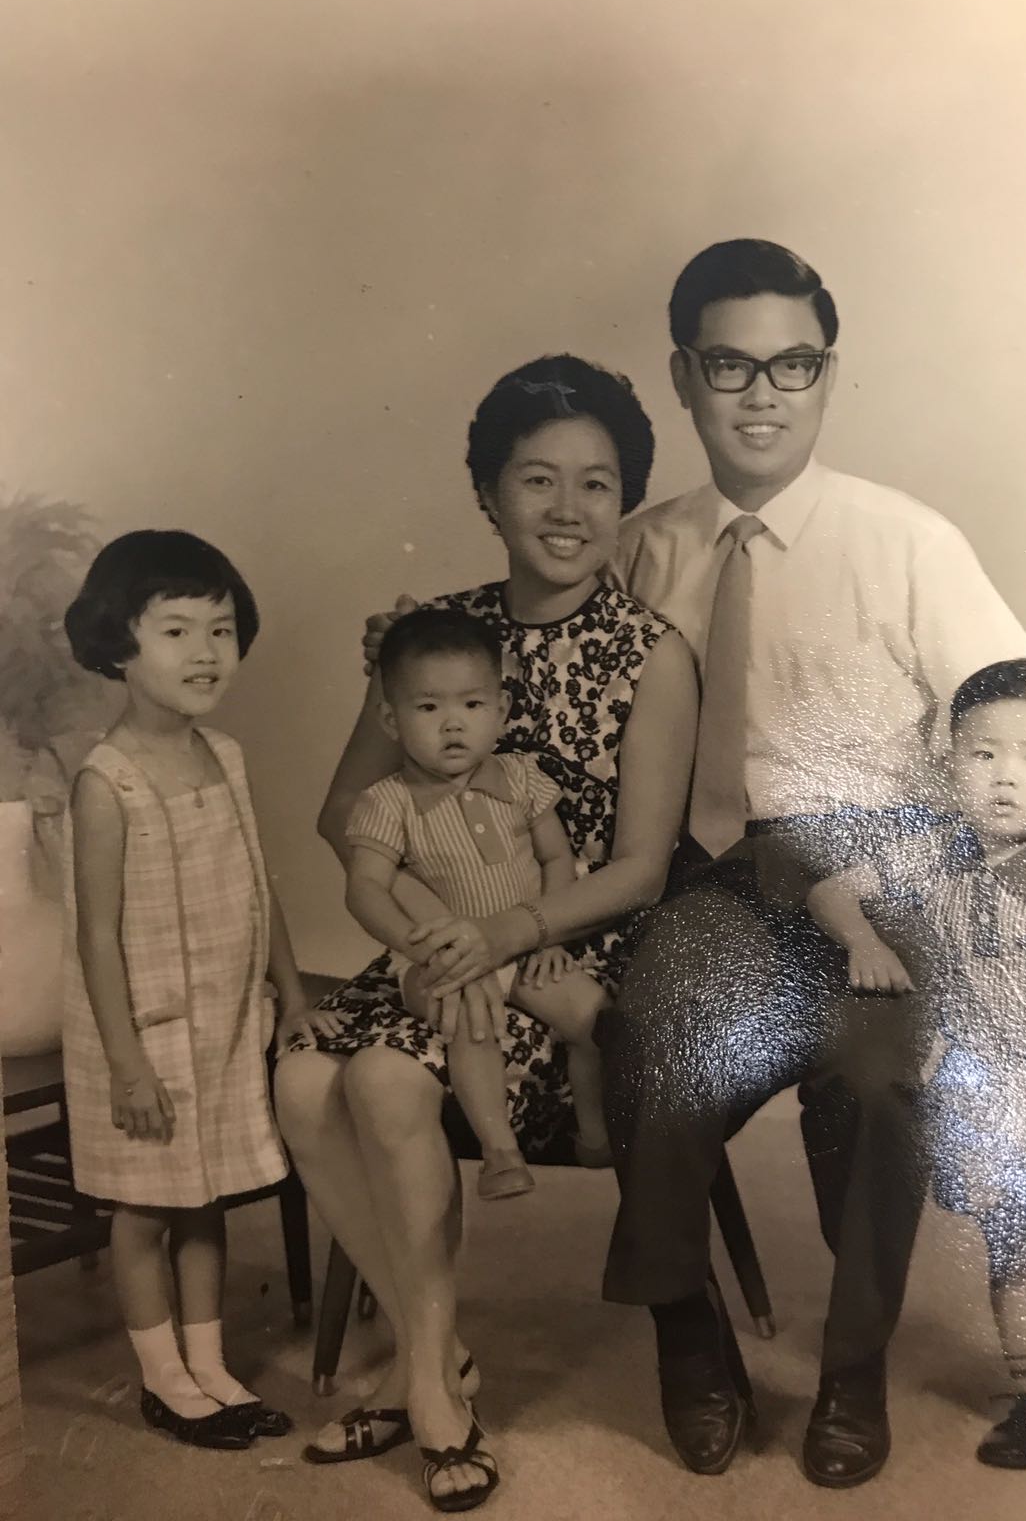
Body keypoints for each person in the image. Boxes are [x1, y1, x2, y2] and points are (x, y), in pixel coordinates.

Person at [597, 238, 1026, 1485]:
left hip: (885, 885)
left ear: (826, 375)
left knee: (888, 1085)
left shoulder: (907, 541)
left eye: (794, 363)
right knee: (651, 1040)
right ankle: (692, 1341)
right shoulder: (646, 546)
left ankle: (852, 1376)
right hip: (720, 883)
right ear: (683, 375)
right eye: (730, 362)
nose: (763, 391)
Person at [275, 354, 695, 1510]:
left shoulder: (649, 652)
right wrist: (426, 929)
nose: (568, 510)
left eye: (598, 484)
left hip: (566, 950)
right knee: (302, 1079)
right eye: (537, 480)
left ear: (627, 498)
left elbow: (642, 868)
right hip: (435, 939)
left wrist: (500, 932)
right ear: (487, 494)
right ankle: (435, 1354)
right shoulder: (432, 643)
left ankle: (429, 1392)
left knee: (385, 1083)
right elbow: (340, 815)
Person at [806, 657, 1026, 1482]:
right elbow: (831, 891)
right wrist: (865, 940)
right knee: (1013, 1254)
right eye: (981, 754)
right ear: (951, 759)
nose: (1005, 779)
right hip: (990, 1095)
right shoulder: (941, 855)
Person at [61, 530, 334, 1450]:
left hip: (222, 1021)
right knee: (145, 1209)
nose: (206, 653)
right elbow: (94, 935)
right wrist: (127, 1064)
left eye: (220, 630)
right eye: (177, 632)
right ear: (117, 645)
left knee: (205, 1199)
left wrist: (291, 994)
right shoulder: (107, 782)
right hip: (140, 1038)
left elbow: (261, 889)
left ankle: (210, 1365)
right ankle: (163, 1377)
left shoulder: (226, 755)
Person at [342, 605, 609, 1201]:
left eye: (471, 705)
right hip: (438, 960)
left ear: (501, 711)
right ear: (390, 720)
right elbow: (364, 887)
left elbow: (556, 861)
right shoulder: (389, 803)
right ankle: (499, 1150)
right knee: (471, 1019)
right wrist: (428, 949)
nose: (453, 725)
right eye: (428, 708)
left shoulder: (520, 780)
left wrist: (550, 935)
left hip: (521, 942)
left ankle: (594, 1130)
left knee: (592, 1014)